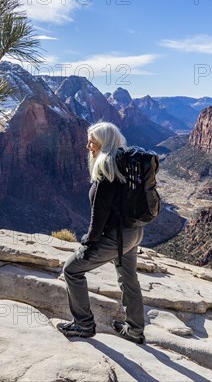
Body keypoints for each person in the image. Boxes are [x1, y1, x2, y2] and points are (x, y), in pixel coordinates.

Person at [57, 122, 146, 344]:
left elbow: (100, 212)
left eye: (93, 142)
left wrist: (89, 241)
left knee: (72, 270)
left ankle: (83, 325)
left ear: (104, 142)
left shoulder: (107, 166)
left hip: (117, 236)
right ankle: (135, 329)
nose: (88, 146)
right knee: (128, 278)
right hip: (134, 232)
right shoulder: (125, 158)